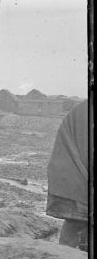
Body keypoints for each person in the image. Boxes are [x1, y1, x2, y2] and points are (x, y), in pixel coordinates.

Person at [46, 100, 88, 251]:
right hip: (74, 175)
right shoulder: (83, 111)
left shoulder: (82, 109)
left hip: (74, 175)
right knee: (75, 221)